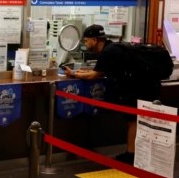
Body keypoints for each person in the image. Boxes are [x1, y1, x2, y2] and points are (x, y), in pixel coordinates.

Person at [63, 24, 162, 164]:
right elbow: (100, 71)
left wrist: (73, 74)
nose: (85, 43)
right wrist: (78, 73)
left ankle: (131, 155)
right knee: (135, 121)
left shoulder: (108, 52)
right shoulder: (111, 48)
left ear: (95, 40)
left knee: (133, 121)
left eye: (86, 40)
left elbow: (94, 75)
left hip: (139, 88)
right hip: (145, 85)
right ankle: (136, 153)